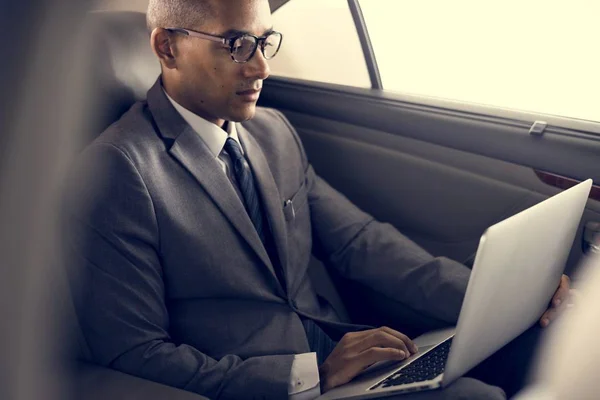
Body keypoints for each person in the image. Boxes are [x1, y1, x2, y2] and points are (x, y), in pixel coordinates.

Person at [64, 0, 573, 399]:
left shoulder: (272, 132)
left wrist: (504, 295)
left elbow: (360, 242)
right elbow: (136, 354)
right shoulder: (116, 171)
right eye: (237, 44)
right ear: (166, 47)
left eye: (265, 42)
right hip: (271, 386)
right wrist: (315, 375)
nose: (260, 67)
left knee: (551, 344)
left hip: (350, 353)